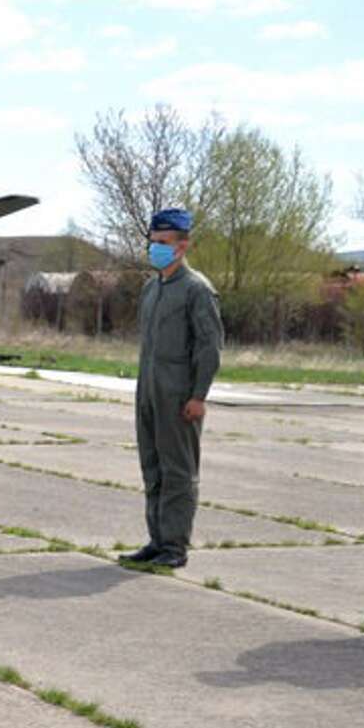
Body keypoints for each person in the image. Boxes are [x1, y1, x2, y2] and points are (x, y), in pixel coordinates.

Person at [127, 207, 222, 569]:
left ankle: (175, 546)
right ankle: (157, 539)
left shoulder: (197, 289)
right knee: (153, 468)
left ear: (183, 246)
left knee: (178, 472)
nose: (156, 249)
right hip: (149, 391)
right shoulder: (153, 288)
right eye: (153, 242)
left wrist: (199, 395)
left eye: (164, 243)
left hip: (179, 395)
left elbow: (208, 347)